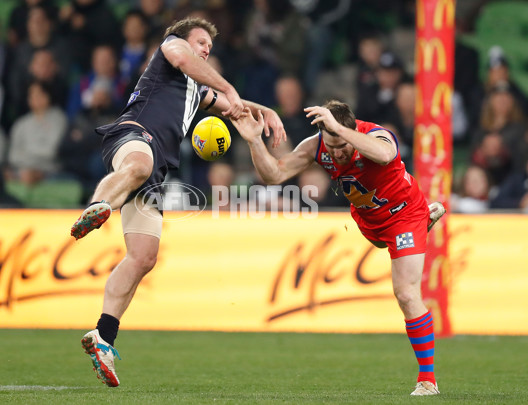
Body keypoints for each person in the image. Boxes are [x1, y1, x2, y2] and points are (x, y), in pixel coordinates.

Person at [71, 17, 286, 388]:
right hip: (133, 136)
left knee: (143, 257)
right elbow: (184, 58)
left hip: (157, 171)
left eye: (210, 47)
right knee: (138, 165)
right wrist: (230, 86)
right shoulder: (170, 49)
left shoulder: (196, 91)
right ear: (185, 40)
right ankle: (99, 205)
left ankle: (103, 337)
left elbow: (232, 108)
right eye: (202, 42)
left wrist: (264, 111)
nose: (206, 49)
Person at [229, 100, 445, 396]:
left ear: (351, 129)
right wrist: (254, 140)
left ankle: (427, 380)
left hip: (403, 214)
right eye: (331, 147)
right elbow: (274, 175)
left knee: (406, 293)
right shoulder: (317, 145)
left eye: (342, 145)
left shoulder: (376, 135)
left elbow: (385, 154)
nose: (337, 153)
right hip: (367, 218)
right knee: (381, 243)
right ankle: (424, 226)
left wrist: (341, 129)